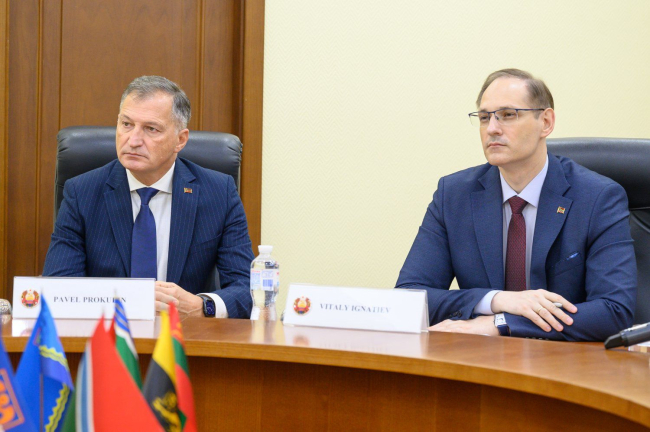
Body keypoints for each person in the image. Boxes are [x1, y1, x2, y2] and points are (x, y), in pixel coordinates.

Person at [396, 69, 636, 341]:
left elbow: (614, 311)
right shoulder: (453, 195)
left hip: (563, 359)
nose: (492, 128)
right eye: (484, 117)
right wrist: (496, 300)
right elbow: (409, 297)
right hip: (481, 359)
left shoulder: (598, 198)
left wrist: (502, 323)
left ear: (545, 122)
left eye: (508, 114)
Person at [43, 76, 254, 318]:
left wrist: (202, 306)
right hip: (108, 334)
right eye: (126, 124)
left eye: (151, 129)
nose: (133, 141)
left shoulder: (218, 193)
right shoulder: (82, 192)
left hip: (185, 335)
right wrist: (129, 300)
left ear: (180, 140)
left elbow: (248, 288)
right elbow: (58, 287)